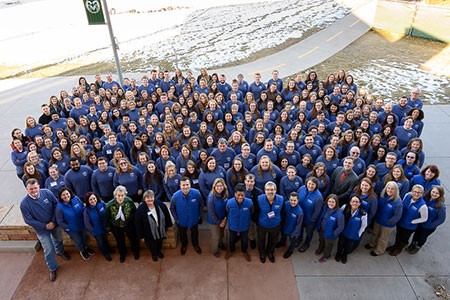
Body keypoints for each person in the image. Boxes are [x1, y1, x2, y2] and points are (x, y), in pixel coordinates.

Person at [20, 179, 71, 282]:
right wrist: (44, 226)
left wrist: (53, 221)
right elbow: (28, 220)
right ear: (26, 189)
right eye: (31, 189)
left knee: (58, 240)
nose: (34, 190)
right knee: (48, 250)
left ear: (39, 186)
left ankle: (60, 252)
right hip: (42, 230)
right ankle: (52, 268)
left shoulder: (47, 192)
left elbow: (56, 205)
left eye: (35, 188)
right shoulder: (24, 204)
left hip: (54, 224)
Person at [387, 185, 428, 256]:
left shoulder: (423, 206)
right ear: (411, 191)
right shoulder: (407, 196)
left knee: (404, 239)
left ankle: (398, 249)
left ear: (422, 193)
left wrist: (412, 222)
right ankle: (395, 246)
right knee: (398, 235)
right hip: (400, 222)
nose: (416, 194)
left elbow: (424, 218)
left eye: (419, 193)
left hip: (409, 227)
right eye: (415, 192)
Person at [55, 187, 94, 260]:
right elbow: (60, 221)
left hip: (82, 225)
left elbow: (83, 207)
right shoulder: (59, 207)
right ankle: (82, 251)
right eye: (63, 195)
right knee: (78, 241)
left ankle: (86, 248)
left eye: (67, 194)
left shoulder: (76, 199)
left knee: (84, 238)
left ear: (70, 193)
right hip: (72, 229)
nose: (66, 196)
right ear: (60, 196)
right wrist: (68, 227)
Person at [135, 190, 173, 262]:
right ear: (144, 199)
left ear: (154, 197)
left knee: (160, 242)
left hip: (160, 230)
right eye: (147, 198)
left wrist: (168, 225)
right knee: (151, 245)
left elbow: (167, 215)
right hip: (148, 233)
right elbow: (138, 223)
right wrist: (141, 236)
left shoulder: (160, 205)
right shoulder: (140, 209)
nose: (150, 199)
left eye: (151, 197)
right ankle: (154, 254)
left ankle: (159, 251)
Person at [366, 181, 403, 256]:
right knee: (375, 233)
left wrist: (389, 222)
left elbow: (397, 216)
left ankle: (379, 251)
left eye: (392, 189)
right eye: (388, 188)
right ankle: (372, 244)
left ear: (396, 190)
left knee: (383, 238)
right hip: (378, 220)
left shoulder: (398, 203)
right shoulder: (383, 196)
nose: (389, 190)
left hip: (387, 225)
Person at [105, 186, 140, 263]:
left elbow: (134, 212)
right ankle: (123, 254)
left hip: (128, 224)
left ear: (125, 195)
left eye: (122, 195)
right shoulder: (109, 205)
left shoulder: (129, 201)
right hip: (116, 226)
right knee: (120, 241)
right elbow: (106, 218)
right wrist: (109, 228)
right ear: (115, 195)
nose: (120, 197)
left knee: (133, 238)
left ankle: (135, 251)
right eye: (118, 195)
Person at [408, 186, 446, 254]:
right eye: (433, 192)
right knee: (416, 234)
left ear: (440, 195)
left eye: (437, 193)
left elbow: (441, 219)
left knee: (422, 237)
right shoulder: (425, 198)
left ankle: (418, 246)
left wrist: (430, 225)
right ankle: (412, 244)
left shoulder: (440, 206)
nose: (434, 194)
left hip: (427, 227)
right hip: (420, 222)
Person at [170, 177, 203, 255]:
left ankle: (195, 244)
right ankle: (184, 245)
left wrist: (199, 215)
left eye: (187, 184)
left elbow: (201, 205)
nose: (185, 187)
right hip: (181, 220)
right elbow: (172, 208)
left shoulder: (197, 193)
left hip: (194, 219)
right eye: (183, 185)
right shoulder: (175, 196)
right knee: (182, 234)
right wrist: (176, 219)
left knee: (195, 233)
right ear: (180, 186)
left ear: (190, 184)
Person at [254, 181, 283, 263]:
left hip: (275, 225)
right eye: (268, 190)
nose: (270, 192)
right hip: (262, 225)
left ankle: (270, 253)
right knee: (261, 240)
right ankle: (262, 253)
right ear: (265, 190)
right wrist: (258, 222)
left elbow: (283, 212)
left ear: (275, 190)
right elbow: (256, 211)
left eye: (272, 190)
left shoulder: (281, 199)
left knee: (273, 241)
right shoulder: (259, 199)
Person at [225, 183, 253, 262]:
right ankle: (231, 250)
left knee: (244, 240)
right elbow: (227, 211)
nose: (240, 197)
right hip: (232, 225)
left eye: (242, 195)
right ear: (234, 194)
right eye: (238, 195)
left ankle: (244, 251)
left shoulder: (249, 202)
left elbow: (251, 211)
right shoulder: (229, 202)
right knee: (231, 239)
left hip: (245, 226)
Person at [335, 196, 367, 264]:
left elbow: (363, 226)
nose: (355, 203)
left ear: (360, 203)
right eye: (353, 201)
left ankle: (344, 255)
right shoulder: (344, 207)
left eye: (357, 202)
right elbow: (338, 216)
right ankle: (338, 254)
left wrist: (358, 234)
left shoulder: (363, 214)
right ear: (350, 202)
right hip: (343, 232)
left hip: (353, 234)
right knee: (340, 244)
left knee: (348, 246)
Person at [83, 192, 113, 261]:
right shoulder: (86, 210)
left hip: (104, 228)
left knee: (106, 239)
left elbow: (107, 212)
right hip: (96, 231)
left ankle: (109, 249)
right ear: (87, 201)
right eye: (90, 200)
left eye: (94, 198)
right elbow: (87, 223)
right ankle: (106, 254)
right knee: (101, 243)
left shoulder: (102, 203)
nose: (93, 201)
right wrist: (93, 230)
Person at [315, 194, 345, 263]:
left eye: (333, 202)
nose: (330, 204)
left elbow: (341, 227)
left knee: (328, 245)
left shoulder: (339, 214)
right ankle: (320, 248)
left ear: (336, 203)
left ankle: (326, 256)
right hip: (322, 230)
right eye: (329, 201)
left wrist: (333, 234)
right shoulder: (325, 208)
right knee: (321, 240)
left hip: (330, 234)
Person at [298, 177, 324, 252]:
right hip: (300, 216)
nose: (310, 186)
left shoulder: (318, 197)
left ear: (316, 185)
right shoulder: (302, 188)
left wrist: (312, 220)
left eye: (313, 184)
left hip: (310, 219)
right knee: (300, 229)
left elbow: (317, 211)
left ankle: (306, 243)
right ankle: (299, 239)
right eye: (309, 183)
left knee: (309, 232)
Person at [276, 192, 303, 259]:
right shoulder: (286, 204)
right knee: (283, 236)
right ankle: (282, 242)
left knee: (292, 242)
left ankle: (290, 250)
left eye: (294, 200)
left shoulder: (300, 212)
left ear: (298, 200)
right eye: (291, 200)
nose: (292, 202)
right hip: (284, 226)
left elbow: (299, 225)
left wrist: (295, 233)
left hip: (292, 230)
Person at [206, 178, 228, 257]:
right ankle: (215, 250)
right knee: (216, 236)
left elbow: (227, 208)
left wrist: (225, 219)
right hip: (214, 221)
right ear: (214, 187)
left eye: (221, 186)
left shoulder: (225, 195)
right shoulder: (210, 198)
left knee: (221, 234)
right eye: (217, 186)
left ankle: (220, 244)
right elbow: (211, 213)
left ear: (224, 186)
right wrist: (219, 222)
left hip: (223, 219)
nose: (219, 188)